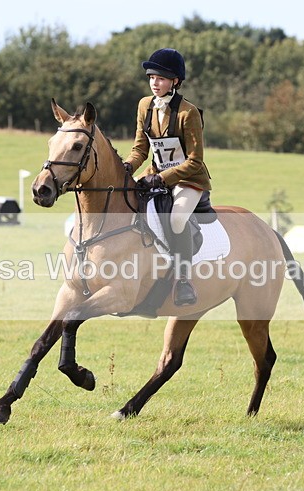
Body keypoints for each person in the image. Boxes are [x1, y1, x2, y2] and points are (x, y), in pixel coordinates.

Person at [124, 48, 212, 306]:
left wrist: (163, 179)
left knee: (176, 219)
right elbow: (140, 149)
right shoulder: (144, 105)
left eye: (161, 78)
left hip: (189, 179)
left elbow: (195, 160)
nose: (154, 83)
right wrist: (127, 167)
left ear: (175, 81)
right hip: (155, 173)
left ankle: (183, 280)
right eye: (152, 77)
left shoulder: (188, 113)